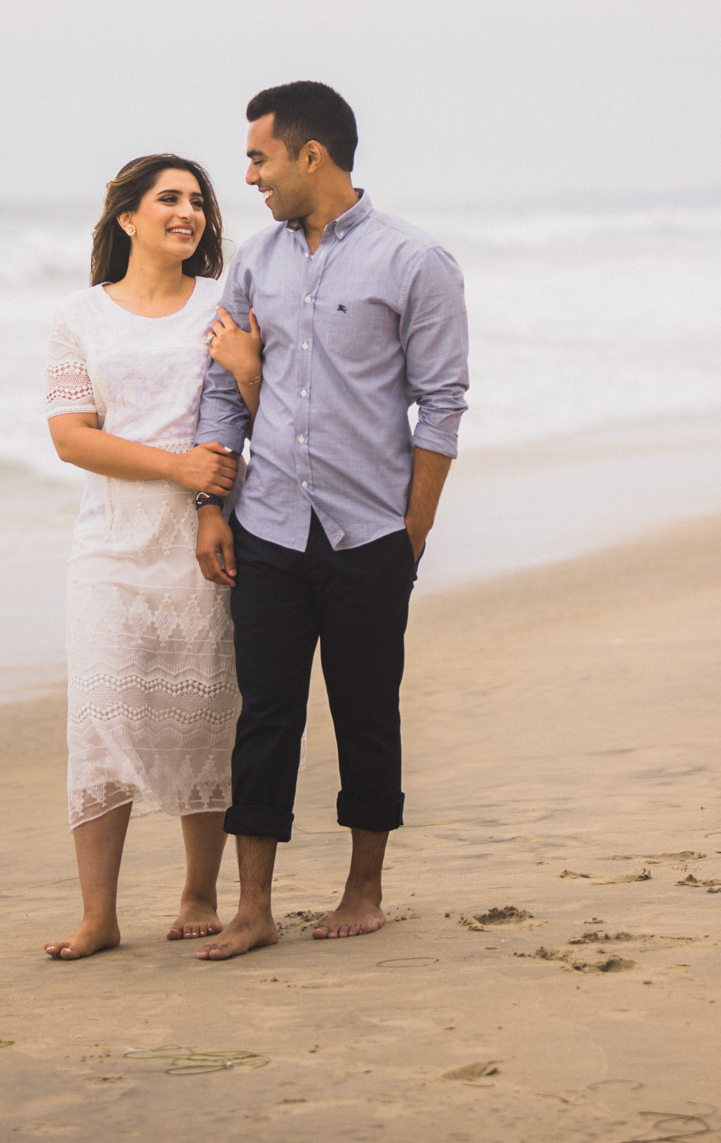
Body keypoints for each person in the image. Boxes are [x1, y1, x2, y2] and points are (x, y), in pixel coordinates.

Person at [190, 82, 470, 960]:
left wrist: (412, 532)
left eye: (259, 158)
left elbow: (442, 406)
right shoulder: (255, 264)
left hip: (368, 534)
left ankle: (363, 888)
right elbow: (219, 391)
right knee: (265, 714)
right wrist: (211, 504)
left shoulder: (415, 261)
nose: (247, 177)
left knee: (365, 711)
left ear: (312, 156)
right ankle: (254, 906)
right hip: (268, 523)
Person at [41, 153, 264, 960]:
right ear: (127, 216)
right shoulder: (79, 315)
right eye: (169, 198)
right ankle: (99, 914)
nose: (189, 212)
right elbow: (71, 436)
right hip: (109, 545)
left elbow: (258, 405)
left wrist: (247, 370)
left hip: (205, 540)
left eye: (198, 201)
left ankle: (199, 889)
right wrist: (175, 466)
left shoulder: (224, 302)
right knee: (100, 716)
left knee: (204, 711)